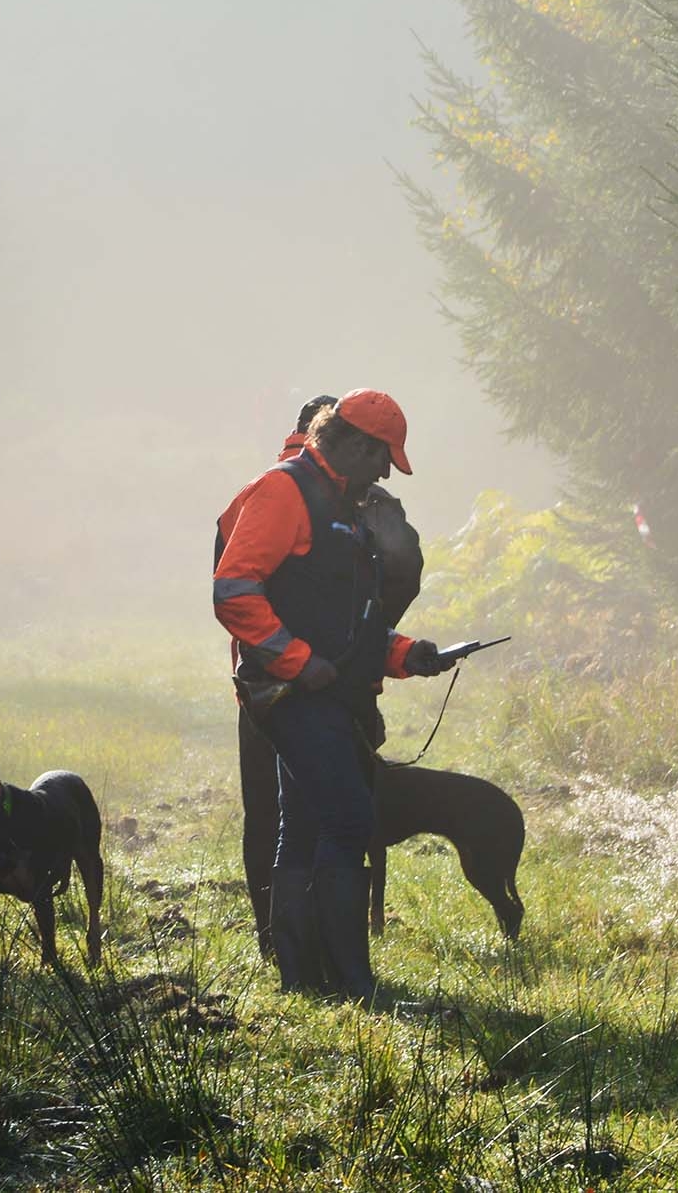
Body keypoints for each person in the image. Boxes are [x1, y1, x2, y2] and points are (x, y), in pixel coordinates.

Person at [213, 389, 452, 1001]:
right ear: (350, 442)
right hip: (295, 697)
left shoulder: (347, 505)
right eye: (381, 458)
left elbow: (347, 620)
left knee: (305, 826)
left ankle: (305, 978)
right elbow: (234, 591)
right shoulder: (282, 492)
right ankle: (353, 981)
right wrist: (296, 661)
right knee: (349, 819)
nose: (383, 472)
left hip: (328, 694)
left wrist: (405, 655)